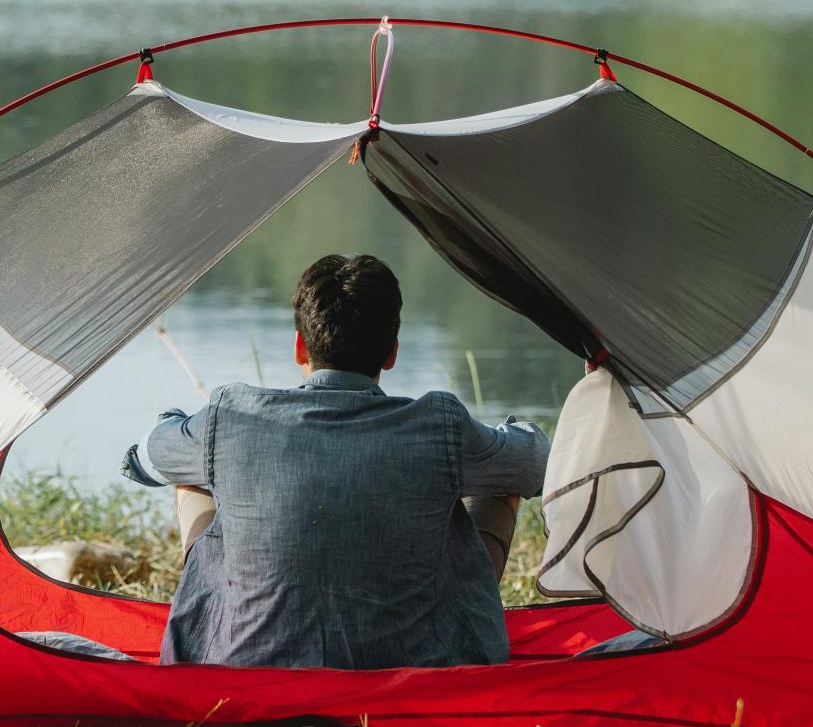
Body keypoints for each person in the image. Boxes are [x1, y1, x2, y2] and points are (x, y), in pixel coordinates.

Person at [120, 254, 549, 669]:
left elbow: (147, 458)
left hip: (243, 668)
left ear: (299, 345)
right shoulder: (441, 425)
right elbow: (538, 466)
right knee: (500, 476)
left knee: (191, 475)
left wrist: (181, 425)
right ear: (392, 352)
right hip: (420, 670)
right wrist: (515, 433)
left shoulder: (230, 415)